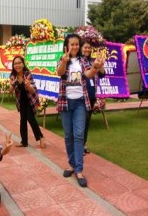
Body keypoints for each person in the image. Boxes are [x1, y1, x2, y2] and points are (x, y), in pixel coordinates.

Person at [57, 33, 105, 187]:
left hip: (80, 103)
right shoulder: (62, 59)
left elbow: (88, 75)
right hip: (66, 102)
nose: (75, 47)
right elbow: (60, 72)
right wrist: (64, 62)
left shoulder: (83, 60)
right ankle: (71, 164)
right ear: (67, 46)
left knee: (78, 135)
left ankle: (78, 169)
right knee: (68, 135)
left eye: (77, 44)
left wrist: (96, 67)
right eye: (72, 44)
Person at [9, 56, 45, 148]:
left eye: (19, 63)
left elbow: (32, 91)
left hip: (30, 100)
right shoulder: (13, 76)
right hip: (21, 101)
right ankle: (24, 142)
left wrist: (28, 85)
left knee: (31, 118)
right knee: (23, 120)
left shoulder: (27, 74)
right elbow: (10, 90)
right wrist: (13, 84)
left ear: (23, 64)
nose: (17, 65)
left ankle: (41, 137)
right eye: (15, 63)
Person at [81, 40, 106, 154]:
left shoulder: (92, 61)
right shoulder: (79, 61)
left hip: (91, 96)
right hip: (81, 96)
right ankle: (78, 146)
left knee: (86, 122)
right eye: (85, 47)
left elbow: (102, 74)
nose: (87, 50)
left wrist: (100, 65)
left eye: (89, 48)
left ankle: (83, 144)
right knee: (81, 122)